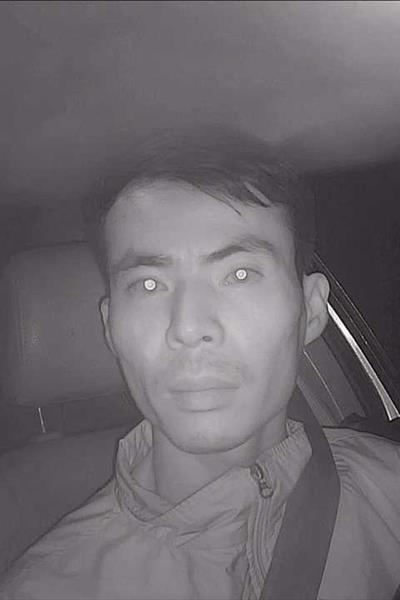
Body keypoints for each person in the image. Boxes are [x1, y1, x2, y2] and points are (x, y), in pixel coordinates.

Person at [1, 128, 399, 600]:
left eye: (239, 274)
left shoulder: (390, 490)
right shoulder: (46, 589)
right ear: (110, 327)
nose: (188, 327)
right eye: (148, 285)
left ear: (311, 311)